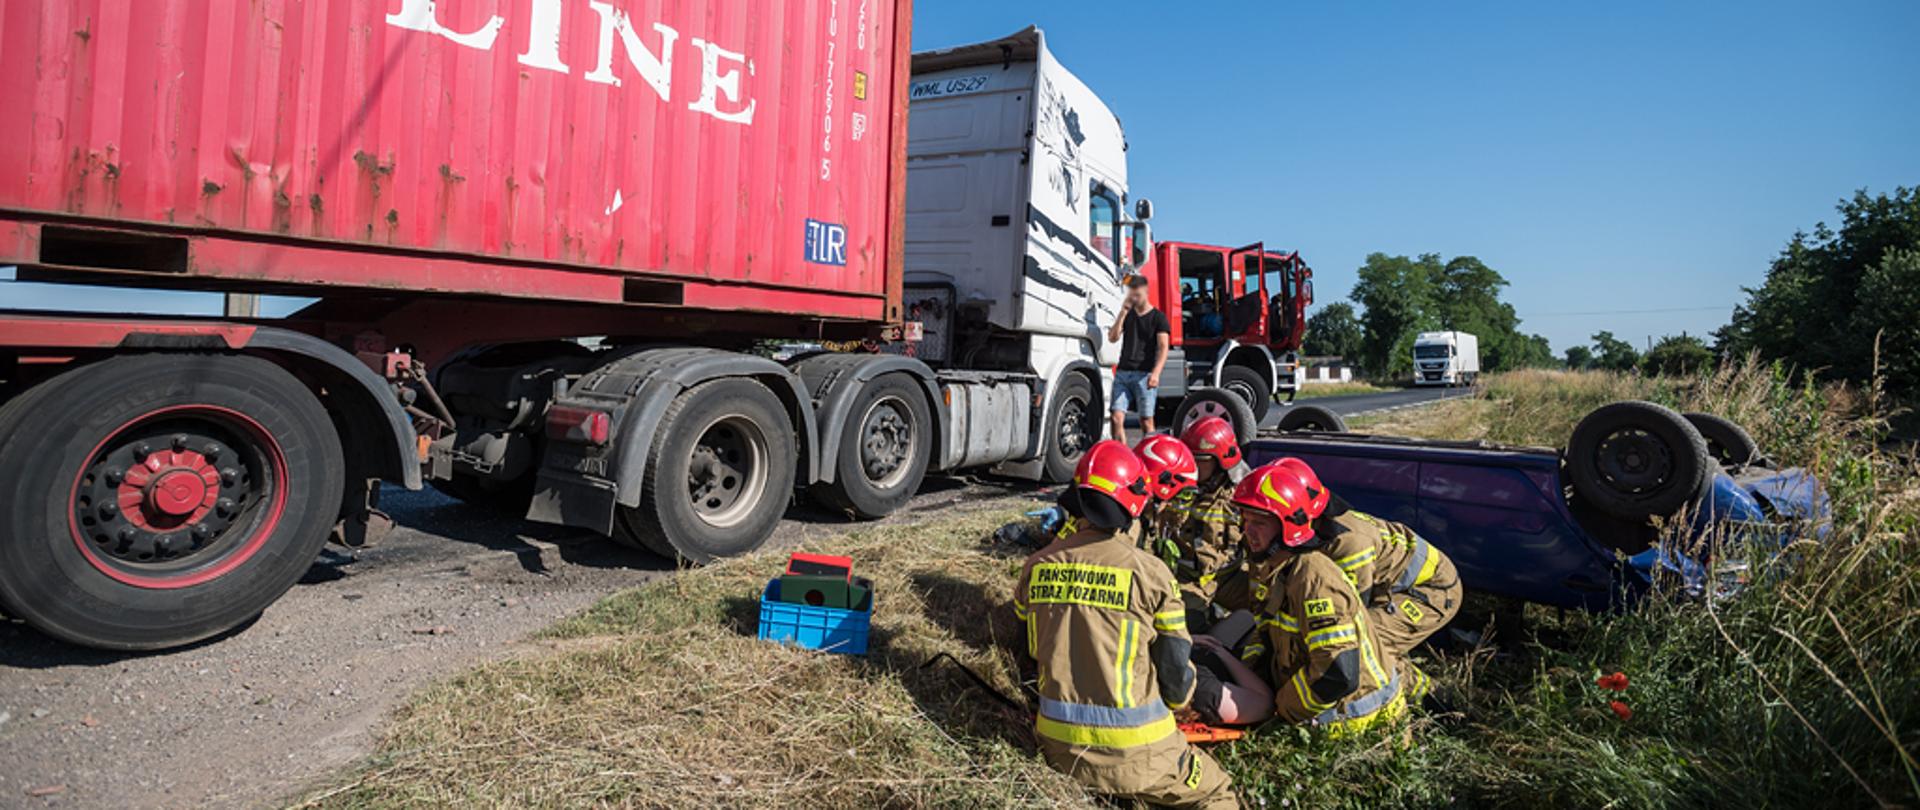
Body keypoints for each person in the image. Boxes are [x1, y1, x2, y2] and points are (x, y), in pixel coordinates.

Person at [1012, 440, 1237, 809]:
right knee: (1217, 792)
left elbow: (1027, 652)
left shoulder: (1036, 566)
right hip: (1139, 753)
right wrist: (1181, 705)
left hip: (1057, 750)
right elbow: (1176, 677)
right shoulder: (1151, 574)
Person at [1223, 461, 1408, 735]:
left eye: (1259, 523)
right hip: (1324, 710)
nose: (1247, 531)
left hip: (1357, 723)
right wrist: (1248, 676)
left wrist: (1280, 711)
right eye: (1246, 520)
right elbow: (1266, 634)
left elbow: (1337, 674)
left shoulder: (1314, 578)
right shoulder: (1278, 570)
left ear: (1288, 526)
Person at [1270, 458, 1458, 701]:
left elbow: (1352, 612)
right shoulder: (1321, 528)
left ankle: (1435, 697)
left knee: (1367, 645)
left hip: (1432, 591)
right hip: (1395, 586)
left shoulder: (1347, 543)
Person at [1168, 417, 1246, 611]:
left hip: (1230, 579)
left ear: (1221, 462)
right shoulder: (1176, 488)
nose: (1191, 465)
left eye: (1199, 460)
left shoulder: (1243, 495)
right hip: (1186, 580)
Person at [1107, 273, 1170, 443]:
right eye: (1131, 294)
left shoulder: (1158, 317)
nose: (1133, 298)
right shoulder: (1127, 315)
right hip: (1123, 373)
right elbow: (1112, 338)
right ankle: (1122, 455)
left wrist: (1156, 373)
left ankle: (1149, 454)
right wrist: (1122, 313)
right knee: (1116, 418)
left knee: (1146, 421)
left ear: (1146, 292)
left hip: (1145, 375)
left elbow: (1163, 347)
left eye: (1137, 294)